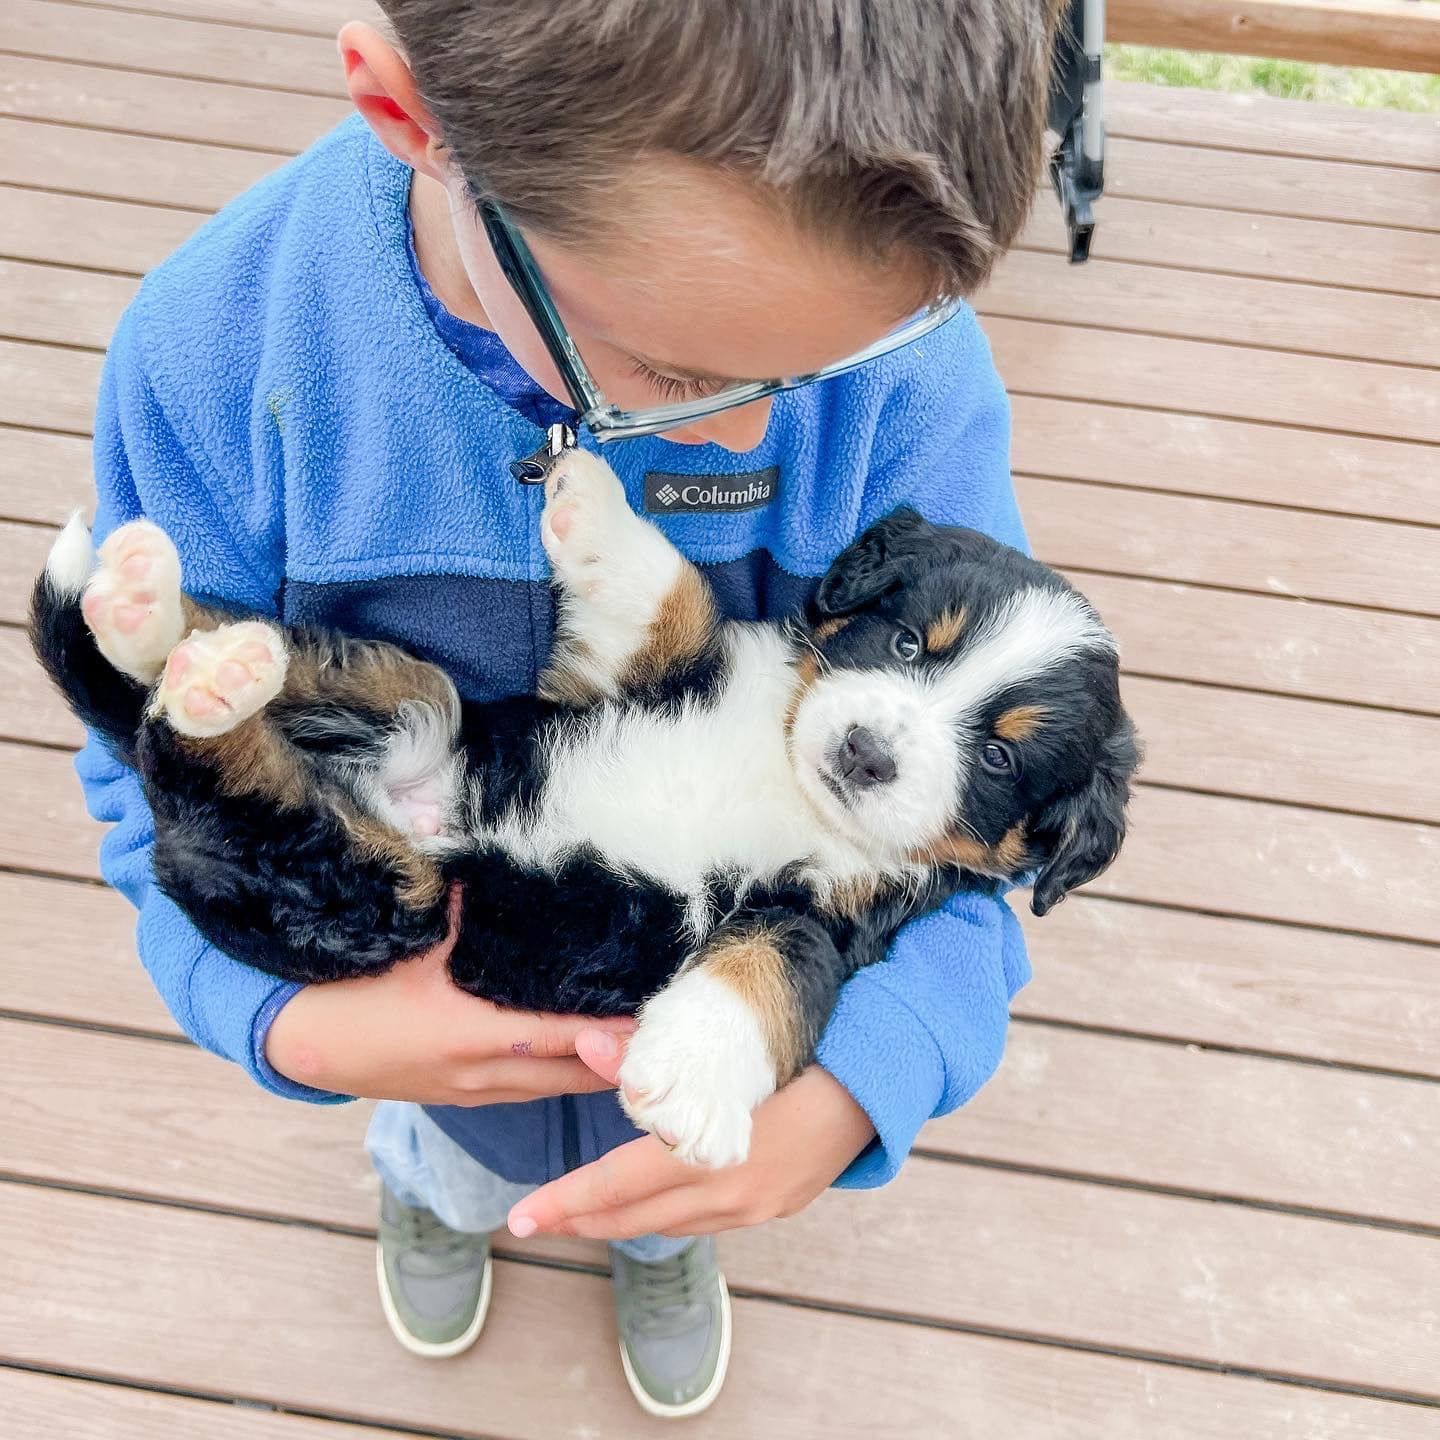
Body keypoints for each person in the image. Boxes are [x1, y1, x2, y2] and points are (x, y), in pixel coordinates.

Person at [77, 0, 1056, 1418]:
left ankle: (652, 1240)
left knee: (668, 1185)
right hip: (413, 995)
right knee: (452, 1147)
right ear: (410, 113)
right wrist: (288, 1023)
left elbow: (962, 818)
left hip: (718, 1011)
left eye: (816, 371)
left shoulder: (902, 374)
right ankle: (433, 1193)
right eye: (675, 377)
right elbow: (147, 750)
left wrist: (859, 1085)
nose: (745, 439)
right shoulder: (219, 355)